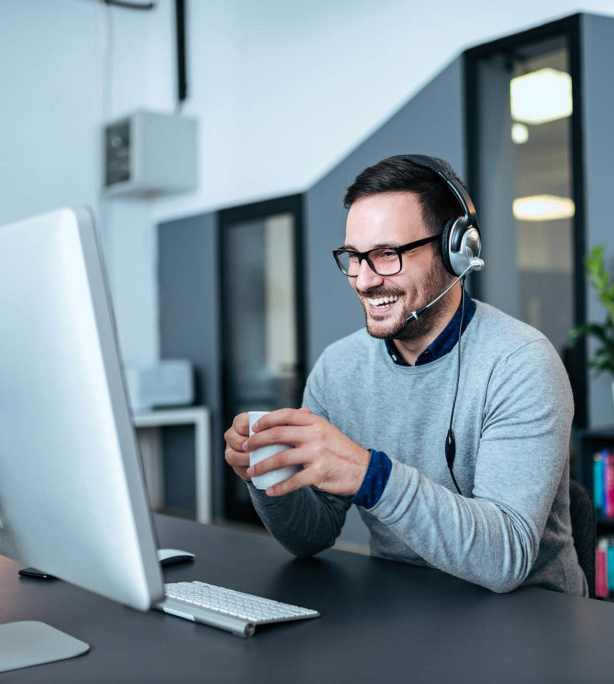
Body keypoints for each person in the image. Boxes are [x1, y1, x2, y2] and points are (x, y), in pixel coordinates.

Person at [223, 155, 586, 595]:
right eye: (354, 257)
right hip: (402, 608)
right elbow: (311, 536)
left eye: (386, 255)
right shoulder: (338, 369)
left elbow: (505, 560)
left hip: (529, 623)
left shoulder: (522, 364)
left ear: (456, 251)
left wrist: (371, 476)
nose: (363, 280)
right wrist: (269, 474)